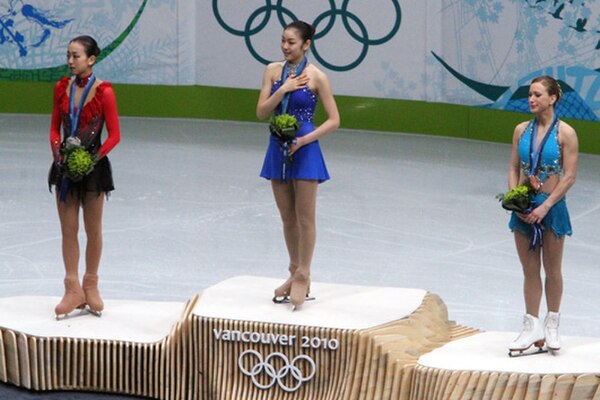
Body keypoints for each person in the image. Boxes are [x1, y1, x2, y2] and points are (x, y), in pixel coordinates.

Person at [256, 21, 340, 309]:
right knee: (287, 218)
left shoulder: (317, 77)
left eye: (291, 42)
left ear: (306, 44)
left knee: (305, 218)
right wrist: (284, 89)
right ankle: (293, 272)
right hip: (277, 146)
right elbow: (260, 111)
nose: (285, 46)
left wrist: (306, 140)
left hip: (304, 148)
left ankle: (305, 274)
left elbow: (334, 120)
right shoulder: (272, 71)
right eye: (283, 41)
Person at [48, 35, 120, 319]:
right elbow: (55, 128)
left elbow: (115, 135)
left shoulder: (105, 92)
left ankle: (91, 284)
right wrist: (59, 155)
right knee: (68, 230)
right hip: (64, 167)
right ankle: (72, 288)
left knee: (93, 230)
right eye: (68, 55)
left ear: (91, 59)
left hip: (94, 170)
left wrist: (91, 159)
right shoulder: (60, 88)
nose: (70, 61)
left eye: (75, 56)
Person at [506, 75, 578, 353]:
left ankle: (552, 324)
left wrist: (545, 206)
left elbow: (569, 176)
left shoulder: (566, 133)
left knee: (553, 269)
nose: (531, 99)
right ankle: (531, 325)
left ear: (552, 98)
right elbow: (514, 168)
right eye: (530, 94)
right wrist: (516, 201)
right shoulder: (520, 130)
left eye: (537, 94)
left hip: (552, 208)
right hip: (525, 209)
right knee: (529, 270)